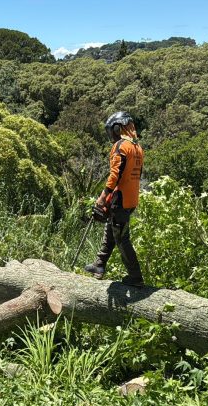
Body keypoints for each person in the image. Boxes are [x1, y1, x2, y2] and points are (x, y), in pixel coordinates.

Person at [84, 111, 144, 287]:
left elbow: (115, 175)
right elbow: (136, 175)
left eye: (112, 130)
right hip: (130, 198)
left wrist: (103, 198)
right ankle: (99, 265)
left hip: (121, 199)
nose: (111, 135)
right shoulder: (137, 147)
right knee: (111, 229)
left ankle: (135, 277)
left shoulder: (120, 146)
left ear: (118, 128)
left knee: (122, 238)